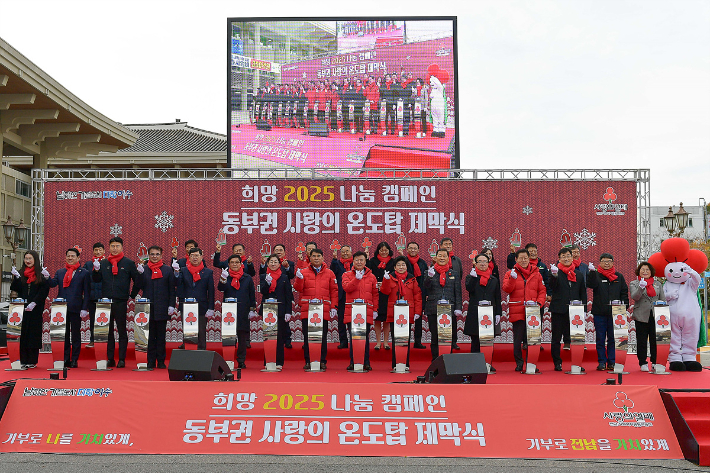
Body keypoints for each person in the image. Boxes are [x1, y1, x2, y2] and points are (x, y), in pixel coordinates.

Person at [91, 237, 139, 368]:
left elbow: (137, 280)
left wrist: (132, 295)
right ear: (109, 248)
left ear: (122, 247)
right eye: (112, 246)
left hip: (121, 301)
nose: (115, 248)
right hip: (106, 302)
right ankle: (110, 358)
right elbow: (96, 280)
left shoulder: (129, 263)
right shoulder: (104, 262)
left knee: (122, 330)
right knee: (108, 331)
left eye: (117, 246)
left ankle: (122, 359)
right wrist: (95, 270)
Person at [501, 248, 547, 372]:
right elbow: (506, 289)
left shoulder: (537, 273)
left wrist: (539, 303)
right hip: (518, 310)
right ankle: (519, 363)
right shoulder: (510, 273)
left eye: (525, 258)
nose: (523, 260)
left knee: (532, 339)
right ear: (516, 259)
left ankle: (531, 363)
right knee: (518, 339)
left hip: (533, 312)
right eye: (520, 258)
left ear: (529, 259)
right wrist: (512, 279)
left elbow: (542, 290)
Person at [293, 249, 338, 370]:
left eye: (319, 256)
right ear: (310, 258)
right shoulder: (303, 272)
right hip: (308, 309)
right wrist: (298, 278)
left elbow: (334, 291)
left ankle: (322, 361)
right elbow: (298, 288)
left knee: (322, 336)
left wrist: (333, 306)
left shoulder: (330, 273)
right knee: (308, 336)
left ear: (323, 258)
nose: (316, 258)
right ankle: (308, 360)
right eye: (314, 256)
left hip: (322, 310)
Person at [133, 246, 176, 369]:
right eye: (152, 254)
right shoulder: (144, 269)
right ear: (148, 255)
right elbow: (139, 286)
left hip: (163, 307)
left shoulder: (168, 270)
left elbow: (172, 290)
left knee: (161, 337)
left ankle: (161, 361)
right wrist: (139, 274)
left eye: (157, 254)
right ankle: (150, 361)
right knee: (150, 337)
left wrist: (171, 305)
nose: (155, 256)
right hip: (147, 309)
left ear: (161, 255)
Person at [47, 248, 91, 368]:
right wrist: (47, 277)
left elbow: (87, 292)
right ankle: (65, 358)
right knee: (64, 335)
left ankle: (75, 359)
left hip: (76, 308)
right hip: (61, 309)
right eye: (68, 256)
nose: (70, 258)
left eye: (72, 256)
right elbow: (53, 284)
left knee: (76, 334)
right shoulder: (60, 272)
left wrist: (84, 308)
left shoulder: (84, 272)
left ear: (78, 258)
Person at [587, 253, 629, 371]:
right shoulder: (596, 275)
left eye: (609, 261)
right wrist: (591, 273)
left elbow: (624, 292)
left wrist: (624, 307)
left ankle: (612, 362)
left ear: (613, 262)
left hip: (615, 313)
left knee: (612, 338)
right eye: (604, 261)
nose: (606, 263)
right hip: (599, 312)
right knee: (600, 338)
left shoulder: (618, 276)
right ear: (600, 262)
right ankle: (601, 362)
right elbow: (590, 285)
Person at [548, 247, 587, 371]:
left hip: (575, 312)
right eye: (563, 256)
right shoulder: (555, 272)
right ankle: (557, 363)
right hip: (559, 309)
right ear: (559, 259)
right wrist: (554, 275)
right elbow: (552, 287)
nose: (566, 258)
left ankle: (577, 363)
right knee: (556, 338)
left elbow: (583, 293)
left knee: (576, 338)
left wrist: (584, 310)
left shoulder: (579, 274)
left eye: (568, 256)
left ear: (572, 257)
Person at [10, 250, 50, 368]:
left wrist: (34, 302)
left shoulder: (40, 274)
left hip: (35, 309)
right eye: (26, 258)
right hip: (22, 309)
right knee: (23, 334)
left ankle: (32, 360)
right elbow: (14, 289)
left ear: (35, 260)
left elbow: (44, 291)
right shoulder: (21, 273)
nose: (27, 261)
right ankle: (23, 359)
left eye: (30, 259)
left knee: (33, 334)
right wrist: (16, 278)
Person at [380, 256, 422, 369]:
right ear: (394, 267)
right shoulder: (390, 278)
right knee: (395, 338)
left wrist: (418, 312)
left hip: (408, 312)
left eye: (403, 265)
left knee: (405, 338)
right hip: (394, 312)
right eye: (398, 265)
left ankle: (406, 364)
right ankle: (395, 364)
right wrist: (385, 280)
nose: (401, 267)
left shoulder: (412, 279)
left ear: (406, 267)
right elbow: (385, 291)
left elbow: (417, 296)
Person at [464, 253, 502, 371]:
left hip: (489, 313)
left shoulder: (494, 279)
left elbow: (497, 297)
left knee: (487, 339)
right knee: (475, 339)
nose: (482, 264)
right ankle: (474, 365)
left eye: (484, 261)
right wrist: (474, 278)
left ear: (488, 263)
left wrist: (498, 314)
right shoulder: (471, 277)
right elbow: (469, 289)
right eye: (479, 261)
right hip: (475, 312)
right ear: (475, 263)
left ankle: (487, 363)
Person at [342, 251, 379, 371]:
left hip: (366, 310)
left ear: (365, 261)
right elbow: (346, 288)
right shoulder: (346, 275)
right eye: (357, 260)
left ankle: (366, 362)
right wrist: (356, 280)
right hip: (351, 310)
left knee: (365, 337)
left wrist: (375, 310)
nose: (359, 262)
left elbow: (375, 294)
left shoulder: (372, 276)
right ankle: (353, 362)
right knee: (354, 337)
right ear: (353, 261)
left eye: (361, 260)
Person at [218, 254, 257, 369]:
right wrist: (223, 279)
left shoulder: (247, 278)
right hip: (228, 312)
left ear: (241, 264)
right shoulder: (226, 276)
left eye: (237, 262)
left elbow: (252, 295)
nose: (234, 264)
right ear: (228, 264)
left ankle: (241, 360)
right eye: (232, 262)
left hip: (243, 311)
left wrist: (252, 309)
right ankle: (228, 359)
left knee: (242, 338)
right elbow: (220, 288)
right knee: (229, 336)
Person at [423, 248, 462, 361]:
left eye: (444, 256)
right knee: (435, 336)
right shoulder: (429, 272)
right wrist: (429, 277)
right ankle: (435, 360)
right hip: (433, 308)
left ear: (448, 258)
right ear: (435, 258)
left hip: (449, 309)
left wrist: (458, 307)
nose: (442, 258)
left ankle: (447, 359)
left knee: (447, 336)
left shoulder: (453, 273)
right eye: (439, 255)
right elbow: (425, 288)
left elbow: (457, 292)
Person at [173, 247, 215, 350]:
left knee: (201, 332)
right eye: (192, 256)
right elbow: (177, 284)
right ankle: (188, 356)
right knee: (188, 332)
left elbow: (211, 291)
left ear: (201, 257)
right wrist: (176, 273)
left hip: (202, 306)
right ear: (189, 257)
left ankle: (201, 356)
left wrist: (211, 308)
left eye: (197, 255)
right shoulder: (183, 270)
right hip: (186, 306)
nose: (195, 258)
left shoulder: (208, 272)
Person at [629, 261, 665, 372]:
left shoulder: (657, 284)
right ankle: (642, 362)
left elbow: (662, 299)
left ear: (651, 272)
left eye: (647, 270)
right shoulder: (634, 283)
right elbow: (635, 297)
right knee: (642, 340)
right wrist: (641, 287)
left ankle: (655, 361)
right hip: (641, 315)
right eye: (642, 270)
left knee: (655, 339)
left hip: (656, 315)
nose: (645, 272)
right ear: (639, 271)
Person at [368, 241, 396, 350]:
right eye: (381, 250)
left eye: (386, 250)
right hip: (376, 292)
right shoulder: (372, 261)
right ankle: (378, 342)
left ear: (389, 250)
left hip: (388, 293)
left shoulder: (393, 262)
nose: (384, 252)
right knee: (378, 319)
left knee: (386, 318)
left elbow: (395, 276)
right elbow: (369, 274)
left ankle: (386, 342)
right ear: (378, 251)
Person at [440, 237, 463, 349]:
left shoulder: (456, 260)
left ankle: (453, 342)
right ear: (441, 246)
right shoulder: (436, 259)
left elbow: (460, 275)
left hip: (453, 292)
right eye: (445, 244)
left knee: (453, 320)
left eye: (450, 244)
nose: (448, 246)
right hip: (440, 294)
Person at [405, 241, 429, 349]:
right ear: (407, 250)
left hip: (420, 293)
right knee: (406, 317)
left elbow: (426, 279)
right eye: (410, 248)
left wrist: (426, 293)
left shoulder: (423, 263)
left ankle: (417, 341)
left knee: (418, 318)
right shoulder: (403, 261)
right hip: (407, 293)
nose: (413, 250)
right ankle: (405, 339)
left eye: (415, 248)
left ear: (418, 250)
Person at [330, 244, 353, 349]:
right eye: (343, 251)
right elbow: (333, 272)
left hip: (353, 295)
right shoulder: (338, 263)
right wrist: (334, 260)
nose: (345, 253)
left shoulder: (355, 263)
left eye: (347, 251)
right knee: (341, 320)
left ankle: (354, 341)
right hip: (341, 296)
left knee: (353, 319)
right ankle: (343, 341)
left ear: (351, 252)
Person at [83, 242, 105, 348]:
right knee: (93, 319)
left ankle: (104, 340)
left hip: (104, 297)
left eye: (100, 249)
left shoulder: (107, 263)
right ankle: (92, 340)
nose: (98, 252)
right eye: (96, 250)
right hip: (91, 297)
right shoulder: (88, 264)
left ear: (104, 251)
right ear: (93, 251)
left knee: (104, 319)